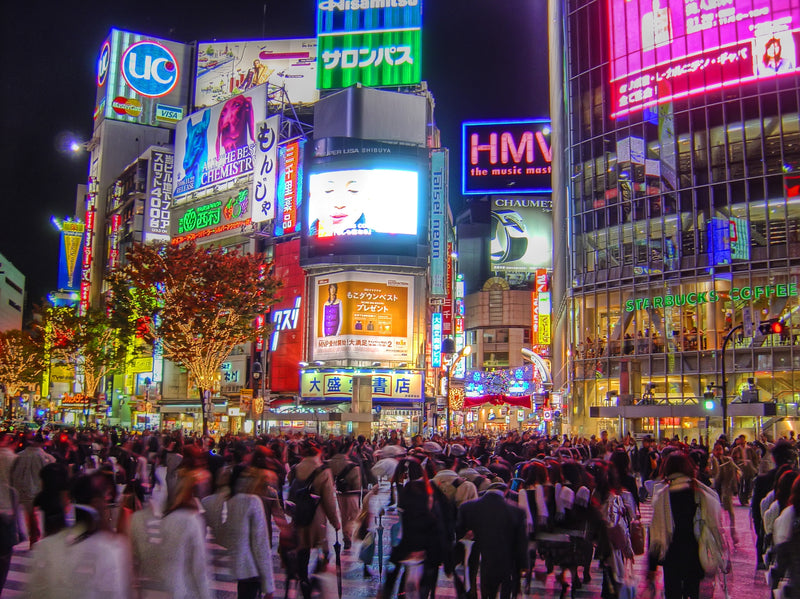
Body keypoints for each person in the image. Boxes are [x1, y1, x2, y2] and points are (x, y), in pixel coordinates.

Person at [24, 474, 133, 599]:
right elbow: (116, 593)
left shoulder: (46, 547)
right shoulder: (111, 549)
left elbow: (36, 592)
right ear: (96, 504)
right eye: (106, 499)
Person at [649, 452, 727, 599]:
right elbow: (714, 525)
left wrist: (652, 568)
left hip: (672, 557)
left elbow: (655, 536)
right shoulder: (700, 493)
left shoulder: (663, 497)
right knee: (693, 593)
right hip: (695, 554)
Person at [129, 470, 214, 599]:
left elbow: (134, 560)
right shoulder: (189, 520)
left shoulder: (137, 519)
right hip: (178, 591)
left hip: (149, 590)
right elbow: (199, 568)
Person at [202, 465, 276, 599]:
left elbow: (222, 535)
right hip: (253, 568)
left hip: (238, 566)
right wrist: (269, 585)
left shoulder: (227, 501)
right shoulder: (253, 501)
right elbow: (261, 544)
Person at [287, 440, 341, 599]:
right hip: (317, 518)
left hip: (299, 516)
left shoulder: (295, 469)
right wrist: (335, 521)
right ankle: (316, 579)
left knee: (302, 552)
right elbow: (329, 501)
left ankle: (304, 582)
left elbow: (292, 491)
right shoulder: (323, 471)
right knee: (323, 550)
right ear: (318, 453)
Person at [457, 481, 528, 599]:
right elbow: (521, 542)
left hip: (478, 557)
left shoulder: (467, 507)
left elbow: (459, 530)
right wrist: (523, 565)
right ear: (505, 492)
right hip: (505, 559)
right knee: (504, 589)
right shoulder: (516, 512)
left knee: (484, 588)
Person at [309, 170, 373, 237]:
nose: (339, 204)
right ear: (310, 194)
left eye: (353, 190)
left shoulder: (379, 241)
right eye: (328, 190)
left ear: (368, 195)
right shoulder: (299, 240)